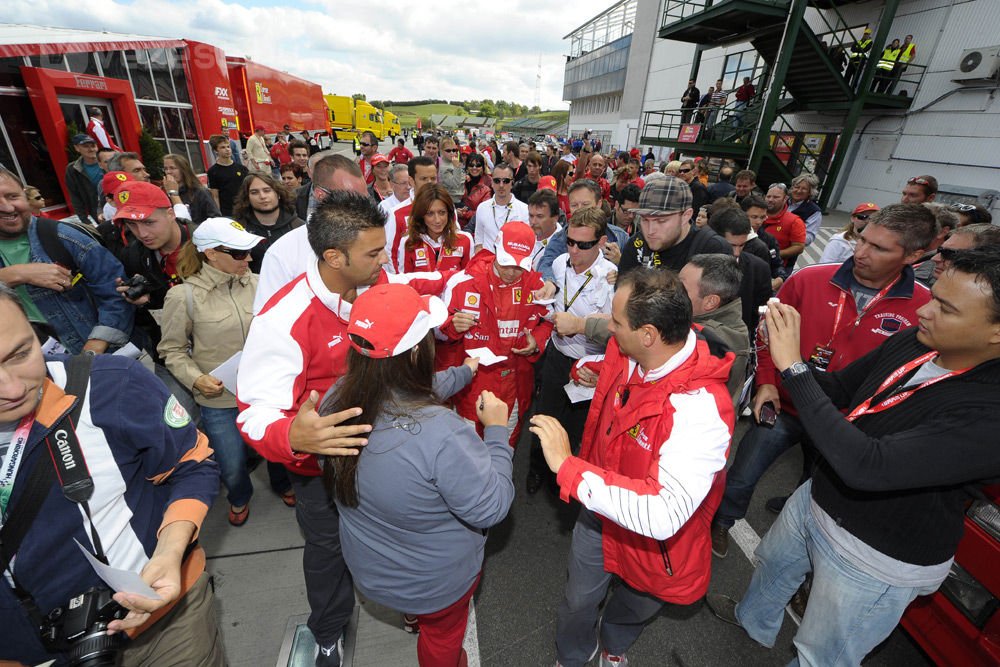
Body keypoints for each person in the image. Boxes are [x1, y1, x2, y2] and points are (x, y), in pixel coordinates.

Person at [707, 246, 1000, 666]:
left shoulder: (990, 413)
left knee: (822, 653)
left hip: (876, 555)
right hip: (819, 500)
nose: (924, 312)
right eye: (934, 297)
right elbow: (840, 390)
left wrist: (794, 369)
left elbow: (867, 465)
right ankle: (752, 624)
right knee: (772, 566)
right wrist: (791, 363)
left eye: (946, 308)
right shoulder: (917, 343)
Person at [236, 191, 451, 666]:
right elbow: (253, 411)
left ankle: (410, 603)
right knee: (329, 552)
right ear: (334, 256)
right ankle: (329, 631)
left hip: (386, 457)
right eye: (374, 253)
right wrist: (294, 437)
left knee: (399, 533)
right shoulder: (283, 317)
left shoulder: (380, 283)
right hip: (320, 471)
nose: (384, 261)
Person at [0, 284, 224, 666]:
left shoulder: (110, 384)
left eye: (21, 353)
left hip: (160, 631)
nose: (12, 387)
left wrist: (170, 552)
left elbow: (192, 464)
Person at [530, 267, 736, 667]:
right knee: (578, 599)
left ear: (648, 335)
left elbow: (662, 513)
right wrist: (590, 374)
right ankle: (573, 654)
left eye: (617, 322)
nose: (609, 327)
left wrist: (567, 466)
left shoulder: (700, 410)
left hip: (654, 539)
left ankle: (613, 645)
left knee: (638, 604)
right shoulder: (629, 350)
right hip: (599, 511)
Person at [711, 203, 938, 558]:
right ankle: (721, 522)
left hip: (846, 422)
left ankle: (799, 558)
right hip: (784, 405)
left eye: (879, 248)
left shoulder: (924, 307)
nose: (861, 252)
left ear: (915, 255)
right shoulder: (809, 278)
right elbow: (767, 333)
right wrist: (767, 381)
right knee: (742, 474)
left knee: (818, 495)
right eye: (862, 240)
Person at [320, 283, 514, 667]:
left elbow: (397, 392)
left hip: (373, 570)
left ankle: (412, 615)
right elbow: (492, 507)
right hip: (437, 585)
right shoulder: (443, 433)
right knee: (442, 638)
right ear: (415, 354)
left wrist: (462, 373)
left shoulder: (337, 399)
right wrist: (496, 431)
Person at [158, 218, 293, 525]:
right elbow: (172, 350)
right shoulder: (184, 297)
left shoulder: (262, 284)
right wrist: (197, 380)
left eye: (248, 252)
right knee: (231, 463)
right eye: (237, 253)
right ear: (210, 254)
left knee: (276, 450)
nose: (247, 259)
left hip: (266, 394)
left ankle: (283, 484)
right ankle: (239, 496)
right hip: (219, 401)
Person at [437, 221, 553, 446]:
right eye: (507, 263)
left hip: (513, 387)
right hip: (471, 387)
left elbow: (548, 323)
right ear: (496, 249)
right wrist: (451, 326)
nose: (511, 272)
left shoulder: (537, 286)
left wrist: (536, 342)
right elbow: (438, 334)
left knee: (502, 454)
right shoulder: (462, 283)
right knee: (467, 455)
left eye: (519, 266)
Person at [526, 207, 615, 495]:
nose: (575, 250)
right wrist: (547, 292)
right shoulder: (560, 262)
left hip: (589, 366)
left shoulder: (612, 276)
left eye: (584, 245)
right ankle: (537, 469)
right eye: (570, 242)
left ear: (601, 242)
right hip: (557, 355)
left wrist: (579, 325)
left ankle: (562, 477)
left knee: (576, 428)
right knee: (544, 418)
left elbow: (617, 327)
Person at [0, 168, 134, 355]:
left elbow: (117, 291)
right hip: (23, 369)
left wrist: (97, 344)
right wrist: (15, 275)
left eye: (12, 196)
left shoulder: (65, 237)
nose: (7, 207)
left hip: (89, 358)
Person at [254, 155, 370, 311]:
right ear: (321, 195)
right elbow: (267, 318)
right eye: (350, 200)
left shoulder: (371, 242)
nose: (360, 209)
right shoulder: (282, 254)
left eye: (364, 201)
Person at [617, 176, 731, 277]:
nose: (650, 231)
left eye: (661, 221)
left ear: (685, 216)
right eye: (645, 219)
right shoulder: (637, 244)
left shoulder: (713, 250)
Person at [231, 172, 304, 275]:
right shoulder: (239, 230)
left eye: (267, 190)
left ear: (278, 194)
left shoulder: (299, 227)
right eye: (254, 192)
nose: (262, 196)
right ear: (247, 198)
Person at [399, 185, 473, 273]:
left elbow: (469, 279)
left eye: (442, 213)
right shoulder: (408, 242)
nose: (437, 220)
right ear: (421, 215)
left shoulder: (465, 239)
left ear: (449, 213)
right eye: (430, 214)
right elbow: (404, 282)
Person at [473, 162, 529, 254]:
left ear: (512, 182)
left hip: (512, 264)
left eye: (506, 181)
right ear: (491, 182)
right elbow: (479, 242)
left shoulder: (524, 210)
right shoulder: (482, 208)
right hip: (487, 263)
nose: (501, 185)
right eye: (497, 181)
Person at [163, 154, 221, 225]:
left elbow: (215, 218)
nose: (168, 172)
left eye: (172, 168)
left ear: (183, 170)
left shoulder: (200, 192)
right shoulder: (163, 194)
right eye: (166, 169)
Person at [761, 183, 806, 269]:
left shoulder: (795, 221)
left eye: (776, 197)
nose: (770, 200)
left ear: (785, 199)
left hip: (775, 268)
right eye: (768, 196)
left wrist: (772, 254)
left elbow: (799, 247)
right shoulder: (755, 214)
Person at [64, 134, 103, 226]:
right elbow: (74, 196)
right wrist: (84, 220)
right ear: (77, 148)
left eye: (93, 145)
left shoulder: (107, 162)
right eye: (86, 146)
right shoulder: (73, 169)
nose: (91, 149)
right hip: (95, 210)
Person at [207, 134, 249, 217]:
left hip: (245, 210)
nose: (227, 150)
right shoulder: (213, 171)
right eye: (223, 147)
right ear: (216, 151)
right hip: (227, 213)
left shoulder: (242, 169)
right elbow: (215, 196)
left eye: (228, 146)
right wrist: (218, 215)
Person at [458, 153, 492, 233]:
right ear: (467, 167)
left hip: (475, 229)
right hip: (457, 227)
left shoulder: (486, 189)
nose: (474, 168)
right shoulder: (459, 182)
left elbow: (484, 212)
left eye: (478, 165)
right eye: (471, 165)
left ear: (483, 168)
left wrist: (464, 214)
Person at [787, 174, 822, 245]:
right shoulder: (782, 201)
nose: (799, 191)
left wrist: (785, 234)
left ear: (810, 192)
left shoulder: (814, 211)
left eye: (804, 189)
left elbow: (808, 238)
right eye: (797, 187)